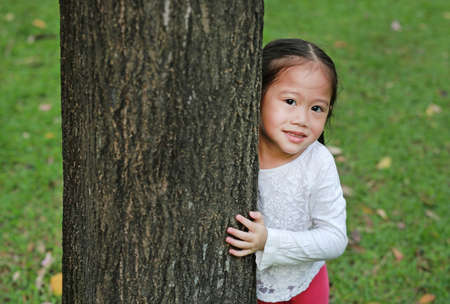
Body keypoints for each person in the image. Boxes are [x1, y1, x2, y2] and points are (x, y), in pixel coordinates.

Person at [225, 38, 348, 304]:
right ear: (256, 95)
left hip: (305, 284)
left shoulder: (318, 162)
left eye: (317, 108)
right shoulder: (234, 148)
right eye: (290, 101)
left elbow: (335, 238)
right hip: (247, 285)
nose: (302, 120)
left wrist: (270, 240)